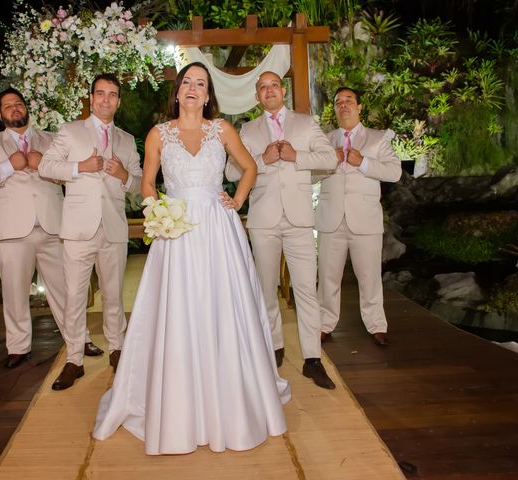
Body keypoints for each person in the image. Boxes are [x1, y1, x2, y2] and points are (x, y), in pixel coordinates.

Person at [93, 62, 290, 455]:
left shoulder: (223, 130)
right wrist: (158, 215)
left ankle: (230, 399)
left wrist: (236, 200)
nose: (193, 89)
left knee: (223, 306)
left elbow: (249, 167)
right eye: (187, 82)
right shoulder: (158, 134)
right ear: (178, 91)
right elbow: (147, 184)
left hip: (219, 229)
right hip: (176, 230)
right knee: (179, 310)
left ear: (208, 94)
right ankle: (179, 402)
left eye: (201, 84)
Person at [225, 71, 337, 389]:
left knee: (306, 290)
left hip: (300, 219)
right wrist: (262, 159)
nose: (269, 90)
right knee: (266, 288)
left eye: (274, 85)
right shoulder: (247, 130)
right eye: (263, 87)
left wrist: (294, 156)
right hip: (263, 219)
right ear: (258, 96)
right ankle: (273, 348)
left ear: (283, 91)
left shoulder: (305, 123)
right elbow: (232, 170)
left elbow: (329, 159)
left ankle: (313, 359)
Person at [39, 74, 142, 390]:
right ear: (91, 98)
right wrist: (80, 167)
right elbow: (45, 167)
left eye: (112, 95)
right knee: (74, 297)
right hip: (78, 229)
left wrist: (123, 173)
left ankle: (117, 350)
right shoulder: (71, 131)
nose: (106, 99)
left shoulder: (126, 139)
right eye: (101, 93)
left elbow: (139, 186)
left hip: (113, 228)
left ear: (119, 101)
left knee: (113, 296)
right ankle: (74, 360)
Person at [0, 87, 68, 369]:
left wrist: (44, 164)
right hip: (12, 231)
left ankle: (77, 338)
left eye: (19, 103)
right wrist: (8, 166)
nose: (15, 108)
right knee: (14, 292)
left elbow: (68, 175)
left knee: (66, 288)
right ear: (1, 114)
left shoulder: (51, 140)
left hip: (52, 226)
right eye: (8, 105)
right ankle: (18, 347)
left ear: (27, 109)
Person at [315, 87, 402, 346]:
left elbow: (394, 172)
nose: (344, 105)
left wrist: (362, 162)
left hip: (365, 219)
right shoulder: (324, 140)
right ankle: (324, 323)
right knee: (328, 276)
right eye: (338, 101)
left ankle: (377, 324)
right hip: (331, 218)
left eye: (348, 100)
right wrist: (329, 162)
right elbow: (308, 175)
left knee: (370, 276)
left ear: (359, 106)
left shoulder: (377, 139)